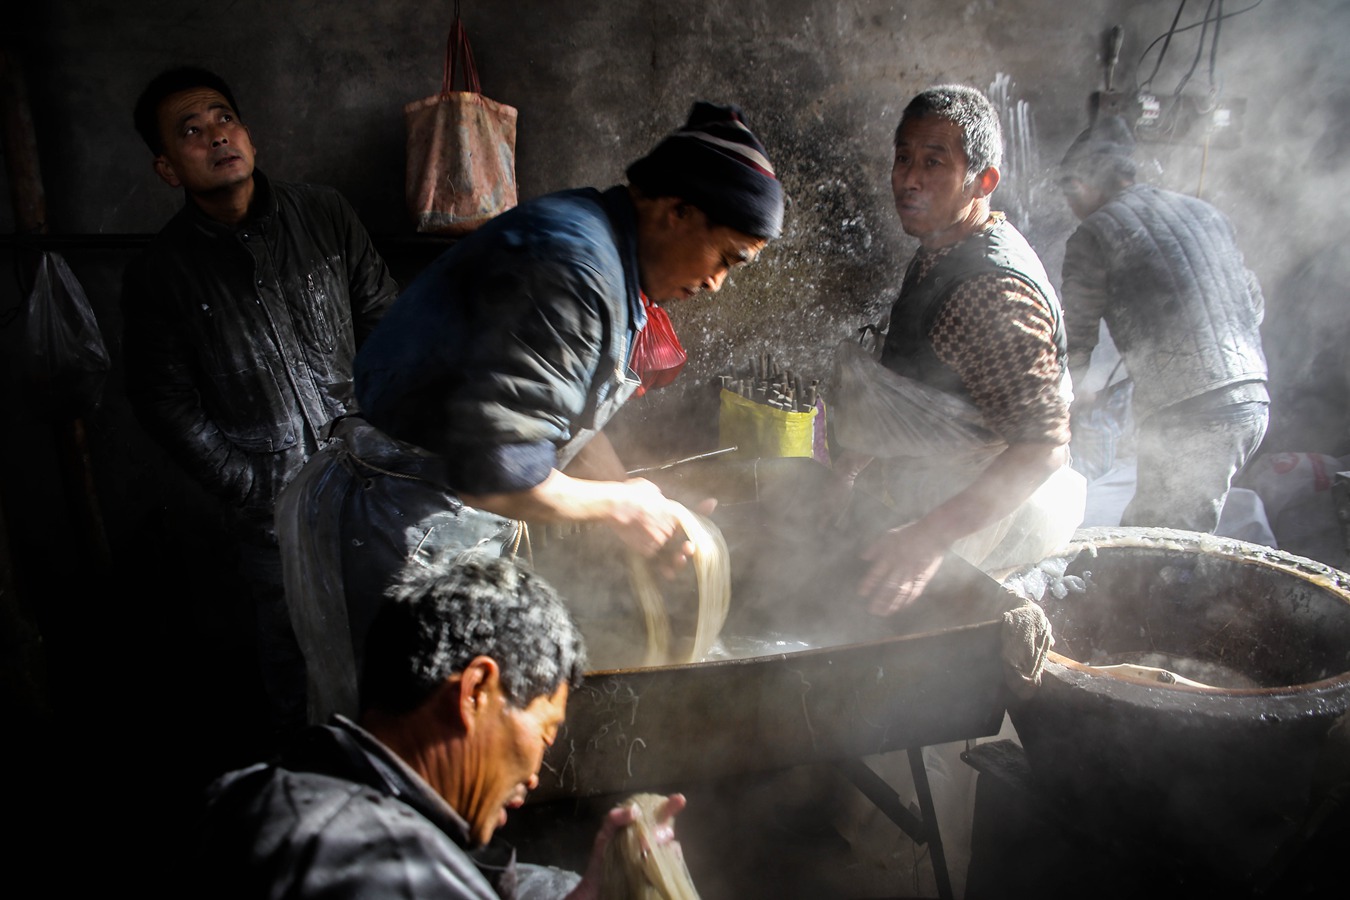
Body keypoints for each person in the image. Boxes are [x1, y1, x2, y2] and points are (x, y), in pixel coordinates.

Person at [277, 101, 784, 721]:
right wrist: (623, 507)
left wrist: (630, 496)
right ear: (677, 211)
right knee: (403, 734)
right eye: (727, 258)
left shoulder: (604, 251)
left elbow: (544, 414)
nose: (716, 283)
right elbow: (497, 471)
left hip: (425, 508)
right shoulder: (574, 267)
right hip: (392, 519)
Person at [121, 66, 399, 735]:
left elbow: (386, 322)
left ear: (248, 135)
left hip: (376, 487)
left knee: (396, 654)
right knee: (299, 671)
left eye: (224, 118)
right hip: (274, 518)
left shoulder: (323, 214)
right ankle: (309, 787)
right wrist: (247, 483)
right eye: (191, 131)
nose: (216, 137)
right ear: (167, 168)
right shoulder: (162, 273)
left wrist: (384, 436)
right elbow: (164, 401)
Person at [192, 551, 688, 899]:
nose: (535, 776)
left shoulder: (264, 789)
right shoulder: (387, 871)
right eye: (545, 731)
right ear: (475, 692)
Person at [830, 84, 1083, 615]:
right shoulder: (941, 249)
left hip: (989, 520)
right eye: (903, 158)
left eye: (933, 162)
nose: (910, 179)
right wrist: (847, 470)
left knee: (930, 649)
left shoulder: (991, 290)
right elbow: (908, 389)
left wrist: (928, 537)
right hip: (936, 500)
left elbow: (1043, 448)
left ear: (983, 181)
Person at [1058, 114, 1269, 532]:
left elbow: (1075, 340)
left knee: (1162, 545)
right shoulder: (1207, 213)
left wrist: (1063, 410)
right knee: (1155, 529)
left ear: (1080, 184)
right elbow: (1253, 307)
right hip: (1252, 402)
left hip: (1193, 417)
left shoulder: (1094, 234)